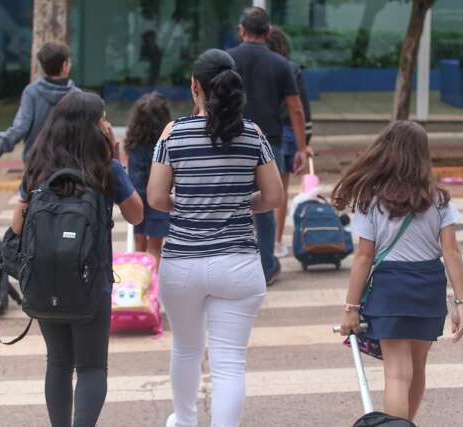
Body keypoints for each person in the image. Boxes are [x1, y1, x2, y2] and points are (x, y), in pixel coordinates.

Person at [147, 49, 284, 427]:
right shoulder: (253, 134)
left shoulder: (173, 133)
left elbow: (156, 198)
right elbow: (273, 197)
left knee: (186, 349)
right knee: (229, 363)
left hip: (182, 264)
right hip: (238, 265)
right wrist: (238, 204)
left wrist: (190, 205)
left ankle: (186, 420)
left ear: (195, 87)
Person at [10, 92, 143, 427]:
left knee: (57, 362)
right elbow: (137, 215)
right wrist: (116, 157)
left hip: (43, 281)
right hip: (90, 282)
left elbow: (17, 226)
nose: (107, 123)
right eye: (103, 118)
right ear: (92, 127)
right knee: (91, 367)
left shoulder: (38, 166)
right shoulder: (106, 168)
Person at [333, 121, 463, 422]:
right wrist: (461, 302)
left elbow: (364, 257)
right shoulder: (439, 198)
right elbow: (451, 252)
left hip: (390, 288)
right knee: (417, 368)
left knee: (397, 374)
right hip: (429, 288)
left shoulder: (371, 200)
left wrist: (351, 308)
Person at [227, 6, 310, 285]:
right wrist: (301, 148)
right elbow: (296, 109)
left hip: (231, 140)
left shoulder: (226, 61)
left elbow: (206, 100)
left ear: (241, 31)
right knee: (265, 205)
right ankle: (265, 266)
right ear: (269, 32)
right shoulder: (281, 64)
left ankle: (229, 261)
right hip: (267, 143)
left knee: (229, 201)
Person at [0, 42, 79, 169]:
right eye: (69, 61)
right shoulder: (77, 96)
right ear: (64, 66)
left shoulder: (32, 92)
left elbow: (20, 128)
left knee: (34, 190)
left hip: (36, 165)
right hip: (68, 166)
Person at [266, 25, 313, 258]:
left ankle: (258, 239)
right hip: (285, 134)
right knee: (280, 190)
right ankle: (275, 242)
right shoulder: (292, 69)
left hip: (259, 130)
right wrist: (304, 144)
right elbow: (301, 108)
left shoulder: (252, 69)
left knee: (255, 188)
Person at [124, 91, 171, 264]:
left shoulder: (134, 144)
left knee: (139, 246)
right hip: (159, 201)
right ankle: (153, 287)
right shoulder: (165, 144)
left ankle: (139, 286)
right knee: (155, 249)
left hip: (138, 200)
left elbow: (134, 178)